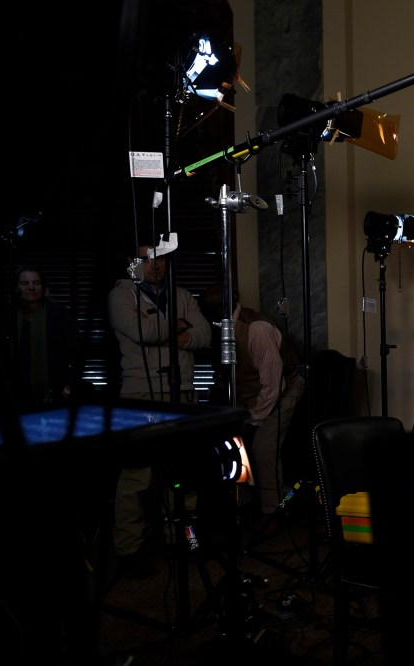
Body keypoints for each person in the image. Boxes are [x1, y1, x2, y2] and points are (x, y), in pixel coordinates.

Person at [106, 236, 212, 576]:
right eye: (148, 259)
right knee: (138, 476)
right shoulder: (120, 295)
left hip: (182, 393)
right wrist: (178, 327)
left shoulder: (181, 295)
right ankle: (129, 548)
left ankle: (183, 540)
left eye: (161, 259)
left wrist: (165, 331)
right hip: (141, 395)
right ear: (131, 262)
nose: (156, 265)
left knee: (185, 476)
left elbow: (205, 336)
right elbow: (142, 332)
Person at [199, 283, 306, 515]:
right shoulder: (217, 329)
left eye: (217, 307)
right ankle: (242, 502)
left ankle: (273, 509)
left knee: (264, 446)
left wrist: (254, 421)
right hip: (250, 396)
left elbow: (274, 387)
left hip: (284, 388)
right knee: (229, 443)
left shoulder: (257, 329)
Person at [7, 265, 81, 409]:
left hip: (55, 393)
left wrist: (68, 387)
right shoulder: (9, 318)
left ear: (43, 286)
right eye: (25, 283)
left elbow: (77, 353)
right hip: (19, 394)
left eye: (36, 283)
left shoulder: (60, 314)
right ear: (16, 287)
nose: (31, 288)